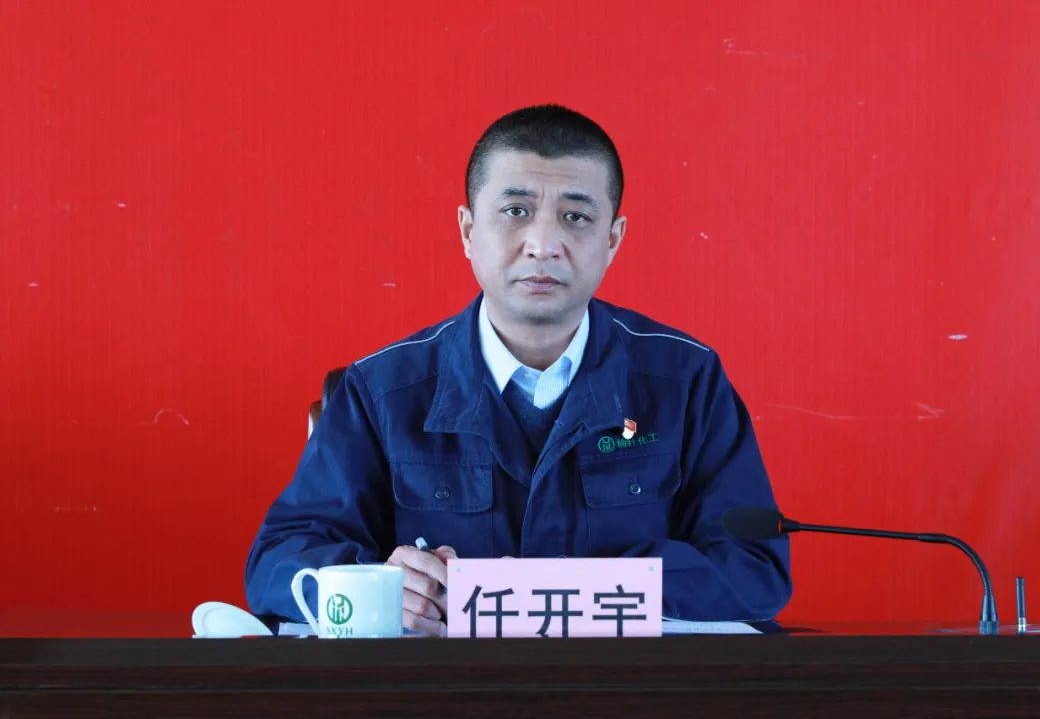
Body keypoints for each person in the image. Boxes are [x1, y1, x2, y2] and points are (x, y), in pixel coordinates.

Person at [245, 105, 791, 636]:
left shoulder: (686, 380)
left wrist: (572, 588)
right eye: (515, 211)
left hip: (621, 683)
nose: (543, 245)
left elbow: (754, 570)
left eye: (575, 217)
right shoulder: (383, 389)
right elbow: (278, 561)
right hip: (442, 684)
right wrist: (383, 585)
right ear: (467, 230)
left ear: (613, 239)